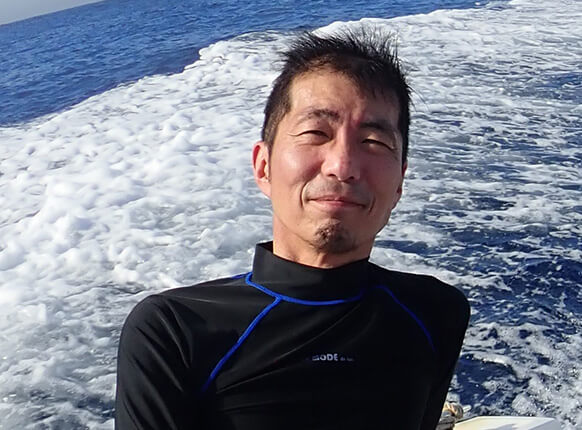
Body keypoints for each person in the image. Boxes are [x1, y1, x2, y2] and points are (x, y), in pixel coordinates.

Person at [115, 29, 470, 430]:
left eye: (374, 141)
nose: (343, 166)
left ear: (400, 183)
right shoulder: (174, 332)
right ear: (263, 166)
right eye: (316, 133)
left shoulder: (437, 313)